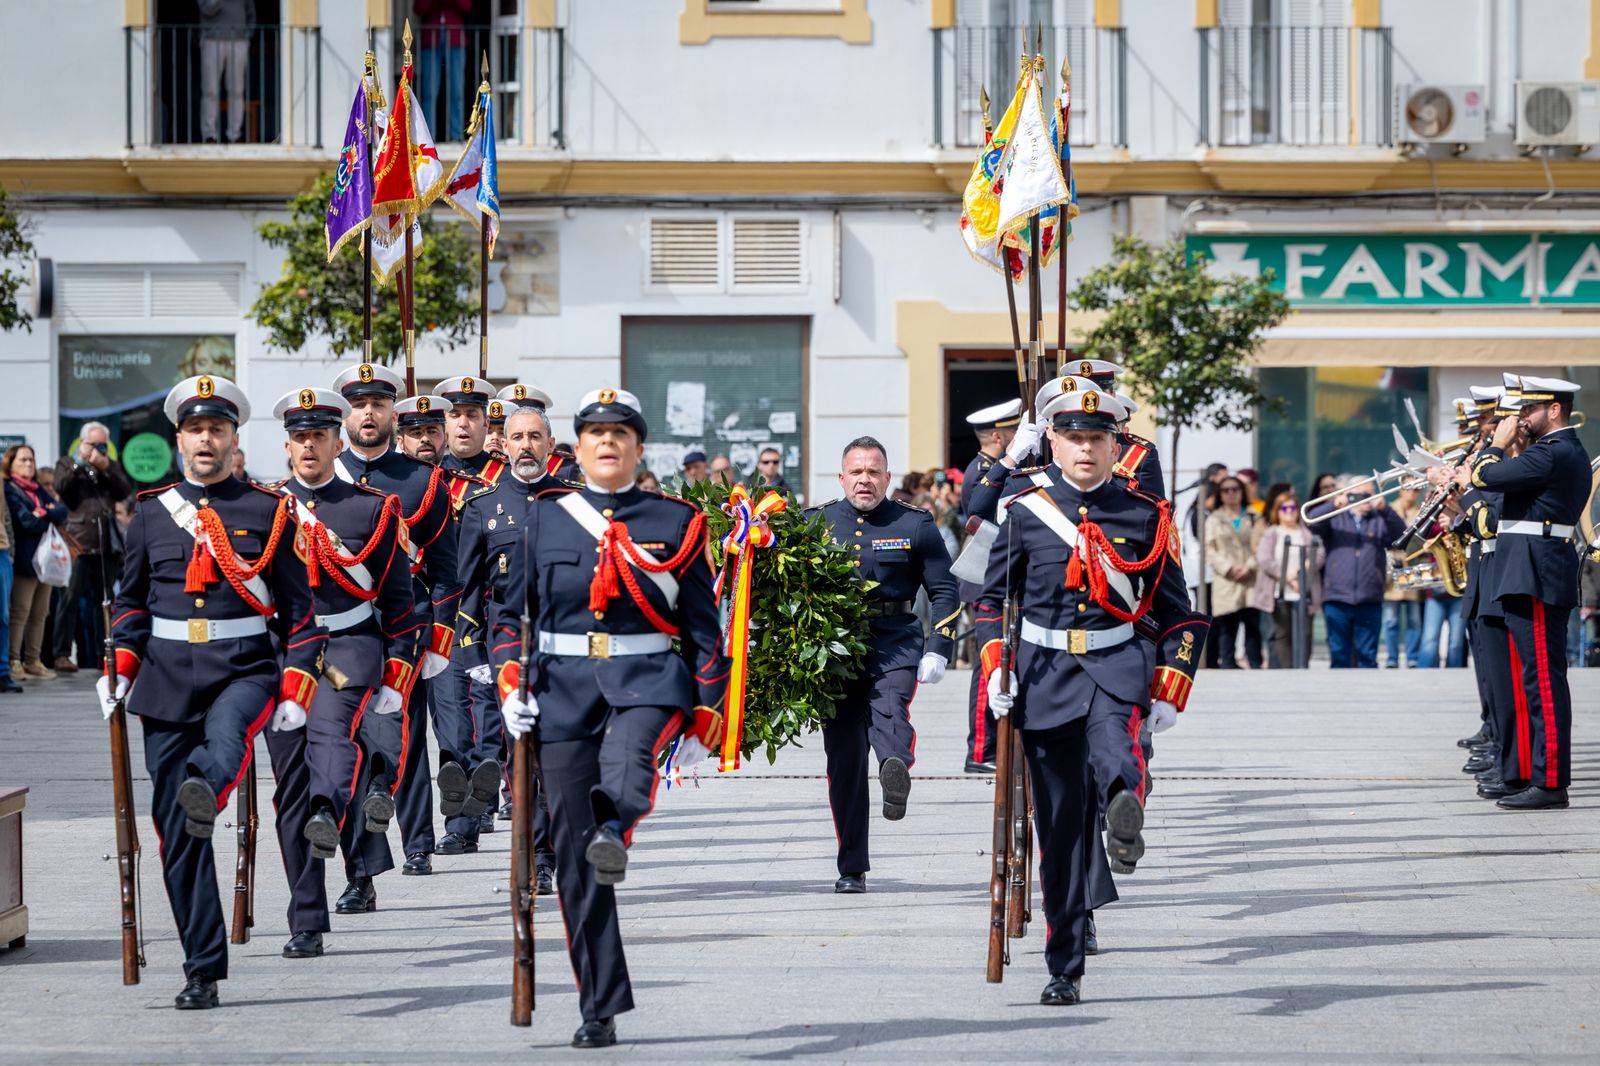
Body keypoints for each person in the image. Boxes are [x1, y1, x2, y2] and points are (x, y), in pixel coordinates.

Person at [489, 387, 728, 1048]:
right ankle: (599, 1004)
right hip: (560, 689)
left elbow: (704, 630)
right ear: (580, 446)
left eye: (620, 433)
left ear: (638, 448)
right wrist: (511, 682)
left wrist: (706, 714)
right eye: (596, 433)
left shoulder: (677, 522)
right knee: (574, 860)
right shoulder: (544, 520)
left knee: (626, 760)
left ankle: (616, 825)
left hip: (645, 680)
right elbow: (509, 618)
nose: (607, 443)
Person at [100, 374, 324, 1009]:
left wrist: (298, 686)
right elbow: (130, 602)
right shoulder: (150, 512)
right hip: (166, 680)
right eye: (196, 430)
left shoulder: (269, 511)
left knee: (224, 743)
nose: (206, 440)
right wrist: (120, 667)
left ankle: (208, 785)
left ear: (234, 439)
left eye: (217, 430)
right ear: (179, 439)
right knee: (179, 831)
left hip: (244, 669)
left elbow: (300, 614)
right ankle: (201, 968)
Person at [982, 383, 1208, 1007]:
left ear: (1116, 447)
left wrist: (1171, 687)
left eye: (1097, 439)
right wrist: (997, 668)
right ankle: (1065, 967)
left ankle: (1121, 809)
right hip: (1044, 674)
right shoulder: (1024, 512)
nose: (1085, 448)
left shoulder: (1146, 515)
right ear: (1053, 443)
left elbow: (1181, 614)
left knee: (1115, 749)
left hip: (1116, 664)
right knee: (1058, 834)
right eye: (1073, 438)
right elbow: (989, 601)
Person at [268, 387, 418, 958]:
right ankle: (307, 917)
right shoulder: (266, 507)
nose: (309, 446)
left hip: (344, 651)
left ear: (338, 444)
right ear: (287, 447)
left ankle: (327, 809)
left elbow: (399, 603)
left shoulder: (371, 509)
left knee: (331, 736)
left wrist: (397, 675)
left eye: (319, 436)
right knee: (290, 789)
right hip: (287, 653)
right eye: (299, 438)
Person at [808, 436, 959, 894]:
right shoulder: (815, 523)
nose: (864, 480)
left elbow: (945, 590)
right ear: (841, 477)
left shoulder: (914, 524)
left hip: (894, 642)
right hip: (833, 652)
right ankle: (851, 867)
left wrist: (939, 646)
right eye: (856, 472)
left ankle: (895, 767)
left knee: (890, 708)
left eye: (873, 472)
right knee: (844, 761)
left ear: (888, 478)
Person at [1458, 375, 1591, 810]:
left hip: (1536, 573)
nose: (1521, 417)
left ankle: (1550, 782)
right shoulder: (1549, 452)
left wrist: (1497, 443)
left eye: (1529, 409)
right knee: (1535, 680)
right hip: (1528, 570)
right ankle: (1537, 775)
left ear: (1554, 410)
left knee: (1543, 682)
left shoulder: (1554, 452)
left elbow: (1484, 475)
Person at [356, 390, 464, 879]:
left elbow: (445, 570)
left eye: (377, 404)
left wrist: (440, 638)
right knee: (352, 744)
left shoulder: (421, 479)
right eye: (359, 405)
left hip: (405, 623)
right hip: (345, 628)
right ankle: (364, 865)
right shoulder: (329, 476)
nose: (368, 414)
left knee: (408, 731)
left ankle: (417, 842)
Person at [457, 405, 564, 896]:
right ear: (505, 443)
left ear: (549, 445)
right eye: (516, 436)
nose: (525, 445)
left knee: (553, 755)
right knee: (522, 751)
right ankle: (532, 854)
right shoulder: (483, 506)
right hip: (508, 641)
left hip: (563, 643)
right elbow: (468, 588)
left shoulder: (574, 501)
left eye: (534, 437)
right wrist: (471, 651)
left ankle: (550, 848)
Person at [433, 375, 509, 855]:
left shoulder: (504, 479)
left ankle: (483, 801)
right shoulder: (428, 479)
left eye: (473, 416)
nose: (463, 424)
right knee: (452, 721)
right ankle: (461, 821)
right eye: (455, 415)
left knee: (488, 713)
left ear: (486, 423)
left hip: (491, 613)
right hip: (445, 614)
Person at [956, 398, 1023, 774]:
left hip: (997, 576)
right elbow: (980, 515)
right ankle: (980, 750)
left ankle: (990, 746)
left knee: (997, 662)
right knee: (988, 666)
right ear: (999, 436)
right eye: (1014, 432)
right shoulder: (982, 471)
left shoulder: (989, 467)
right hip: (986, 579)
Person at [53, 422, 135, 673]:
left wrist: (106, 467)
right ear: (82, 443)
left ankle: (104, 654)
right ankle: (61, 654)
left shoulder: (109, 465)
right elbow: (61, 487)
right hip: (78, 542)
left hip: (105, 543)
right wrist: (80, 463)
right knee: (69, 600)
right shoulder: (67, 463)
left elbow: (124, 490)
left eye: (102, 445)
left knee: (105, 601)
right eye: (93, 444)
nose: (98, 449)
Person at [1306, 475, 1404, 668]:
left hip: (1369, 597)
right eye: (1361, 494)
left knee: (1367, 657)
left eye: (1369, 494)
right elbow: (1311, 523)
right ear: (1349, 495)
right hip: (1337, 597)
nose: (1366, 499)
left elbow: (1401, 537)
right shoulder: (1336, 517)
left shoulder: (1379, 519)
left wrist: (1385, 509)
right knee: (1339, 655)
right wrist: (1334, 505)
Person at [4, 444, 68, 681]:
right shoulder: (9, 488)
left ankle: (33, 660)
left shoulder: (37, 488)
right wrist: (44, 514)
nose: (29, 464)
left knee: (41, 613)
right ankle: (14, 661)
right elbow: (25, 521)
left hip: (45, 561)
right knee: (20, 612)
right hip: (24, 560)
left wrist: (43, 513)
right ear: (11, 463)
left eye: (31, 459)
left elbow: (61, 511)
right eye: (23, 460)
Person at [1253, 495, 1322, 668]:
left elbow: (1320, 553)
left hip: (1303, 592)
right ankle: (1286, 671)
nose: (1289, 512)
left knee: (1305, 634)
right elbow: (1264, 559)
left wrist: (1304, 568)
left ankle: (1302, 668)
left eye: (1293, 508)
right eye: (1285, 508)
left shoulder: (1306, 533)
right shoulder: (1272, 533)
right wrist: (1287, 577)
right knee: (1281, 634)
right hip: (1279, 591)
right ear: (1278, 511)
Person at [1204, 476, 1260, 668]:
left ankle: (1256, 665)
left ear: (1242, 491)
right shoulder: (1214, 519)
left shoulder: (1254, 516)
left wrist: (1249, 566)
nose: (1231, 493)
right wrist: (1229, 568)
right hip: (1226, 579)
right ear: (1220, 494)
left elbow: (1262, 545)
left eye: (1235, 489)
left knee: (1253, 627)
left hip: (1251, 577)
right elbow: (1210, 549)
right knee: (1227, 627)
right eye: (1225, 490)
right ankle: (1227, 665)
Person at [198, 0, 253, 144]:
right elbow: (206, 10)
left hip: (238, 41)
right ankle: (209, 135)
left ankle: (235, 135)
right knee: (210, 90)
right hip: (212, 40)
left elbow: (251, 12)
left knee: (237, 90)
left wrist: (247, 35)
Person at [1382, 485, 1424, 668]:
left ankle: (1412, 657)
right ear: (1400, 489)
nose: (1412, 492)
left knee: (1414, 619)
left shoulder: (1421, 509)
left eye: (1416, 489)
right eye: (1408, 488)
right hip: (1394, 567)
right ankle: (1392, 658)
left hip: (1414, 567)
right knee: (1391, 619)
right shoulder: (1390, 508)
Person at [415, 0, 469, 138]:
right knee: (429, 91)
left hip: (455, 38)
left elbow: (467, 5)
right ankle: (428, 136)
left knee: (457, 90)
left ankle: (456, 135)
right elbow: (419, 8)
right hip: (431, 39)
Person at [0, 486, 20, 693]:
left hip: (2, 550)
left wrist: (11, 549)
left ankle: (3, 672)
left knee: (3, 616)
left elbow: (4, 514)